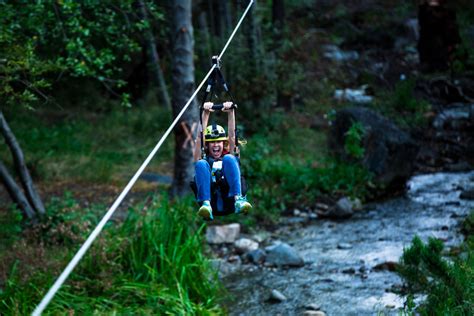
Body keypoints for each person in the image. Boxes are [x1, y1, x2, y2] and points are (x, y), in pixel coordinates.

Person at [193, 101, 252, 220]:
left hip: (229, 199)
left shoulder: (229, 156)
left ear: (223, 143)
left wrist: (231, 113)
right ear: (207, 145)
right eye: (212, 142)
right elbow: (199, 139)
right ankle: (206, 205)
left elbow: (232, 136)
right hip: (212, 200)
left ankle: (238, 200)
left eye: (219, 141)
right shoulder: (203, 158)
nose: (216, 145)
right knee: (200, 163)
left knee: (230, 158)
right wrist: (206, 113)